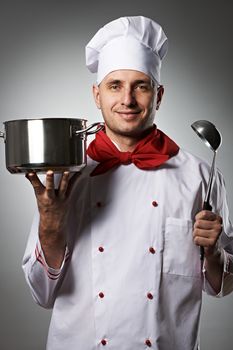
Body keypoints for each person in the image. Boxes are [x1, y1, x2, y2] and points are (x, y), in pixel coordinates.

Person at [22, 16, 233, 350]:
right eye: (115, 85)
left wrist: (214, 254)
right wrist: (50, 223)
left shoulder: (201, 177)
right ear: (97, 94)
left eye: (141, 85)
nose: (128, 100)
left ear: (159, 95)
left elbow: (223, 285)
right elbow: (41, 294)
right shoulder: (63, 178)